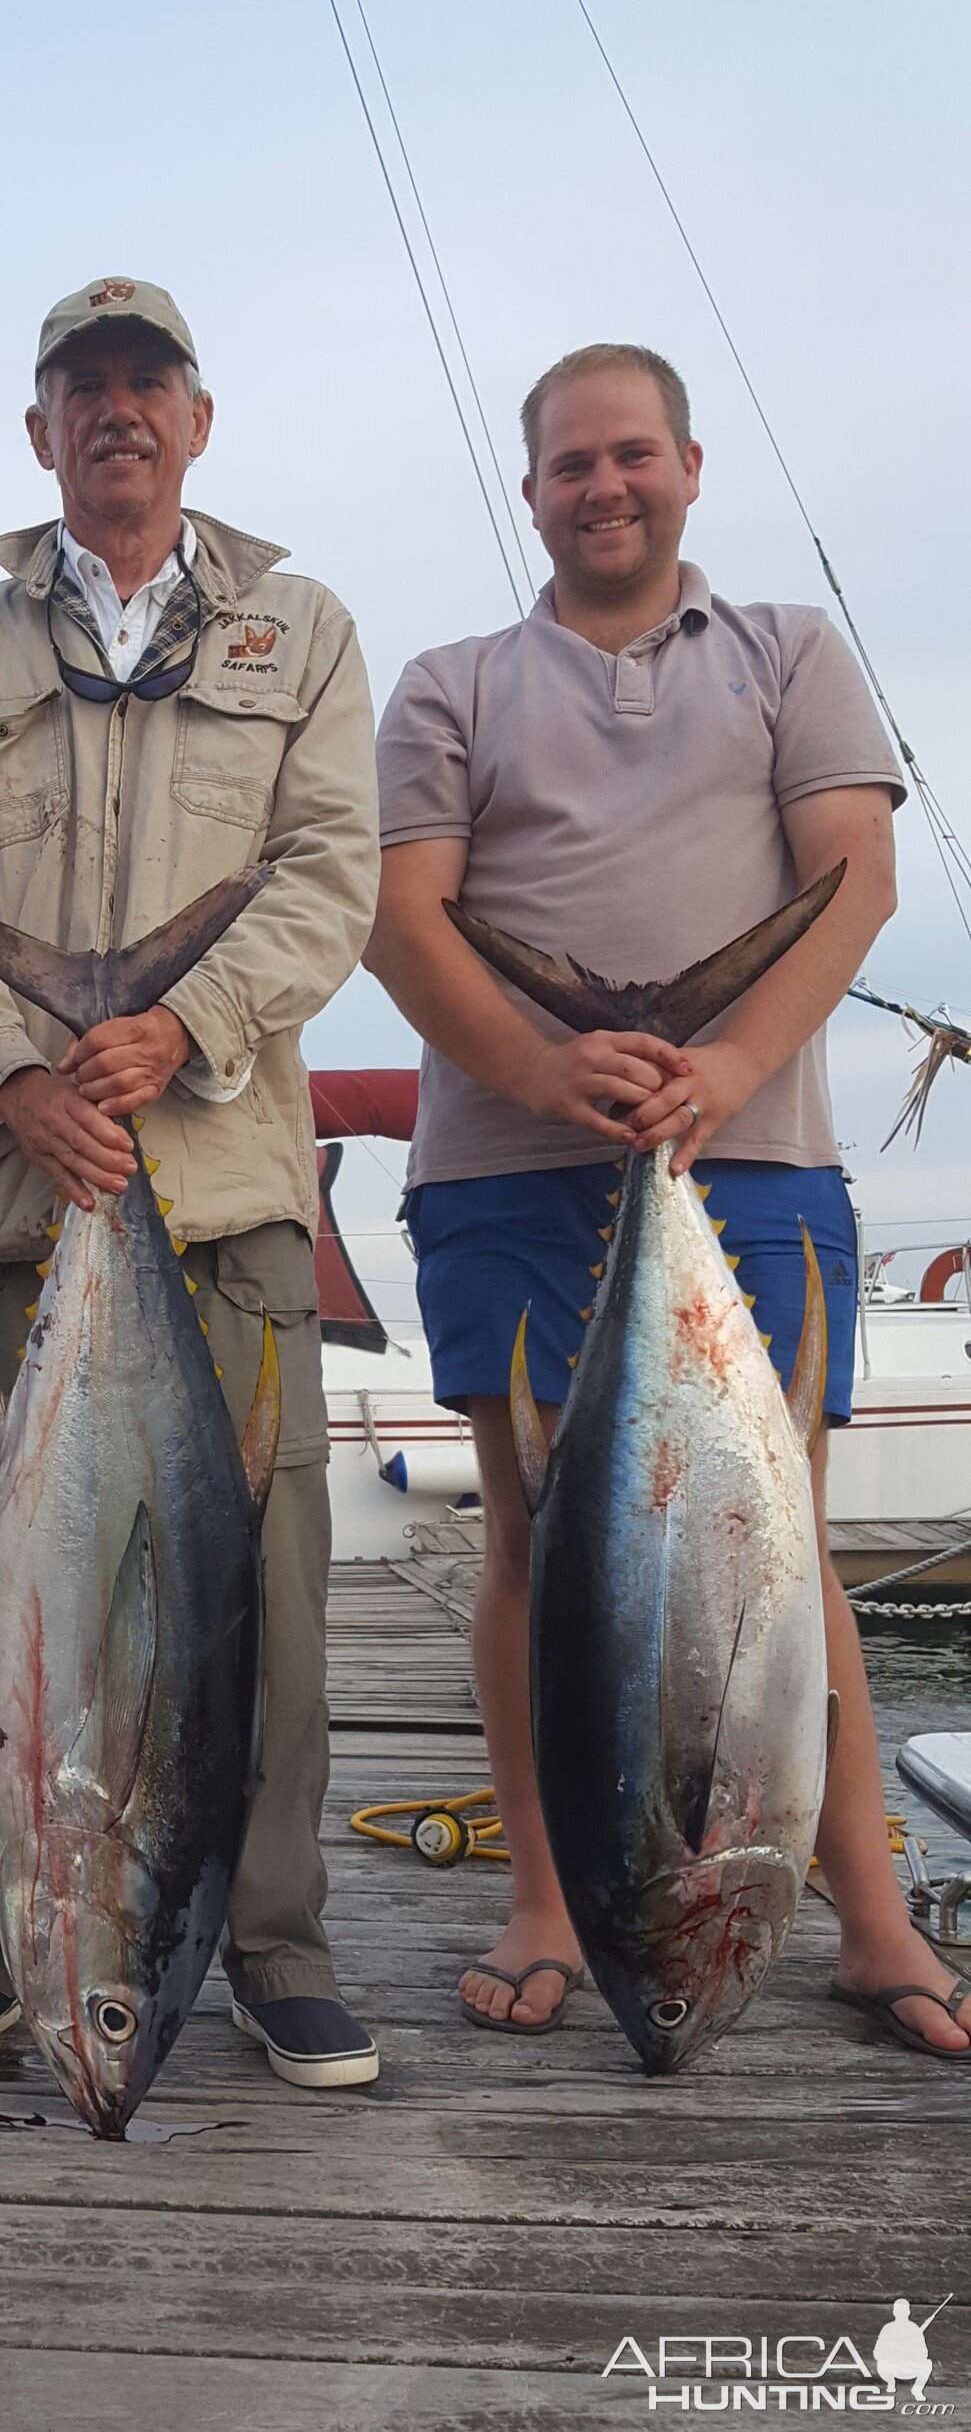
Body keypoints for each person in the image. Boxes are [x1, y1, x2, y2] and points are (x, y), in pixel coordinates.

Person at [366, 340, 971, 2057]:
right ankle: (552, 1895)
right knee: (526, 1536)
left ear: (689, 469)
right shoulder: (452, 683)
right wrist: (550, 1067)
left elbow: (854, 883)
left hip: (750, 1155)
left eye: (634, 455)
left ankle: (868, 1915)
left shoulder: (792, 653)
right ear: (535, 488)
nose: (604, 485)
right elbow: (407, 917)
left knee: (789, 1550)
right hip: (505, 1156)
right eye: (571, 463)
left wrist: (724, 1065)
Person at [0, 277, 382, 2090]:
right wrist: (17, 1067)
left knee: (269, 1600)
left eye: (147, 385)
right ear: (40, 430)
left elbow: (329, 875)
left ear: (197, 417)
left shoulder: (300, 630)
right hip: (4, 1202)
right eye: (81, 389)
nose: (117, 414)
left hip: (222, 1203)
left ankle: (274, 1943)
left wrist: (187, 1025)